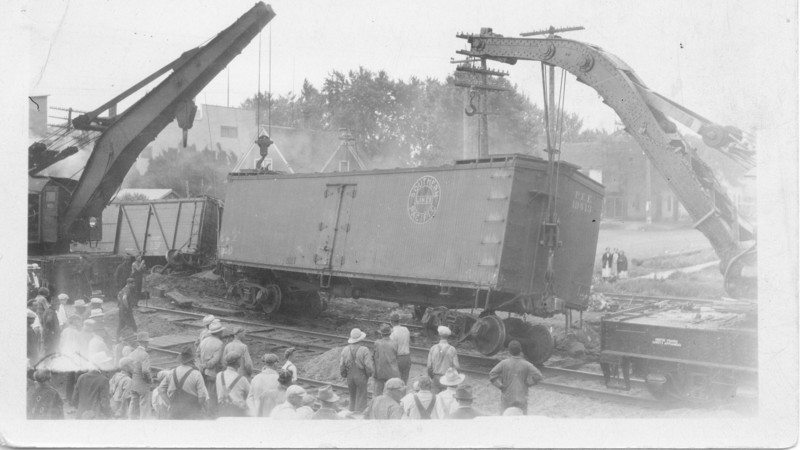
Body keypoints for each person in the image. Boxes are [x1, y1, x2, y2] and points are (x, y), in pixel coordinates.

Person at [488, 340, 543, 415]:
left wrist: (500, 386)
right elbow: (539, 376)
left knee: (503, 418)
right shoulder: (526, 364)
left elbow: (492, 374)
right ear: (520, 351)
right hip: (522, 397)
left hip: (507, 397)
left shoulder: (504, 363)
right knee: (521, 420)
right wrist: (529, 383)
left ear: (509, 351)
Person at [165, 346, 208, 420]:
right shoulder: (196, 374)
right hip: (192, 413)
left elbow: (160, 390)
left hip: (174, 412)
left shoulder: (171, 372)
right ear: (192, 360)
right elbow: (202, 398)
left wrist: (170, 404)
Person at [339, 328, 374, 413]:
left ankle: (351, 412)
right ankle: (360, 414)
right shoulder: (364, 350)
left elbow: (341, 365)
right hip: (361, 376)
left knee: (352, 396)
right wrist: (369, 374)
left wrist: (344, 374)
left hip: (350, 376)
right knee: (362, 396)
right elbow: (368, 366)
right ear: (360, 339)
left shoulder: (345, 349)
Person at [73, 352, 113, 419]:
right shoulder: (103, 380)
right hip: (95, 417)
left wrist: (82, 409)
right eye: (105, 363)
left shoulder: (81, 377)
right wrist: (110, 415)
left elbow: (74, 399)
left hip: (80, 415)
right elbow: (104, 402)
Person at [197, 320, 225, 418]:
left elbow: (197, 354)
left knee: (205, 393)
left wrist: (201, 365)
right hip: (213, 373)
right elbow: (216, 360)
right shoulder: (219, 344)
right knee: (213, 395)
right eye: (221, 331)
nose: (222, 333)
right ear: (218, 333)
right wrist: (207, 365)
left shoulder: (204, 341)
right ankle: (211, 415)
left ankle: (205, 412)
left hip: (201, 372)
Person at [427, 326, 459, 394]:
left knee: (435, 399)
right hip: (447, 378)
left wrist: (432, 377)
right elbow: (457, 366)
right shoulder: (452, 349)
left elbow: (429, 366)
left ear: (439, 335)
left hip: (436, 377)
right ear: (448, 337)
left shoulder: (433, 348)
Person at [216, 352, 251, 417]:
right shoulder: (242, 379)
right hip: (237, 412)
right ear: (238, 363)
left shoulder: (219, 375)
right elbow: (250, 395)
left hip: (222, 410)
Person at [60, 315, 85, 404]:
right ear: (73, 322)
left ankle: (69, 396)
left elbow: (61, 344)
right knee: (77, 377)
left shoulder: (64, 331)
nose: (79, 323)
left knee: (70, 377)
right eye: (78, 321)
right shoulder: (76, 333)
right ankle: (75, 399)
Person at [128, 332, 153, 419]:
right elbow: (145, 370)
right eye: (147, 342)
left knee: (133, 404)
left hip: (134, 382)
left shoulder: (132, 353)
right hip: (143, 384)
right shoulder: (145, 354)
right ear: (145, 342)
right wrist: (150, 380)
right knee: (144, 406)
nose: (148, 343)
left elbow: (129, 367)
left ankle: (131, 422)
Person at [372, 323, 400, 396]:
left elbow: (374, 357)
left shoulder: (377, 343)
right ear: (390, 333)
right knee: (391, 394)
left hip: (380, 372)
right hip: (392, 372)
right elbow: (397, 357)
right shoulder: (395, 343)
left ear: (381, 334)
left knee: (377, 393)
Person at [389, 313, 411, 384]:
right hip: (407, 357)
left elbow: (392, 348)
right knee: (404, 381)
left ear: (391, 322)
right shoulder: (406, 329)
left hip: (398, 358)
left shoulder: (392, 333)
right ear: (399, 321)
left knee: (396, 381)